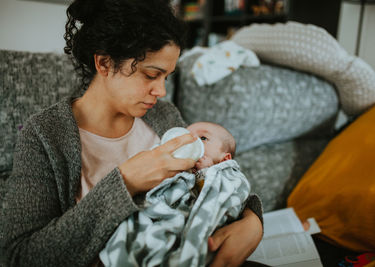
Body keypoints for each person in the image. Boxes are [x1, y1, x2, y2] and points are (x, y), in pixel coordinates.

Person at [0, 0, 263, 266]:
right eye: (151, 75)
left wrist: (253, 223)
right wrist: (125, 181)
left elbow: (208, 178)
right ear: (104, 63)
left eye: (167, 77)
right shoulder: (45, 135)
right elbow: (21, 256)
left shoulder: (164, 115)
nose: (161, 91)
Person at [100, 122, 251, 266]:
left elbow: (220, 194)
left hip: (197, 226)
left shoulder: (222, 174)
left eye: (203, 138)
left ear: (225, 159)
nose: (190, 142)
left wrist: (205, 172)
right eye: (186, 136)